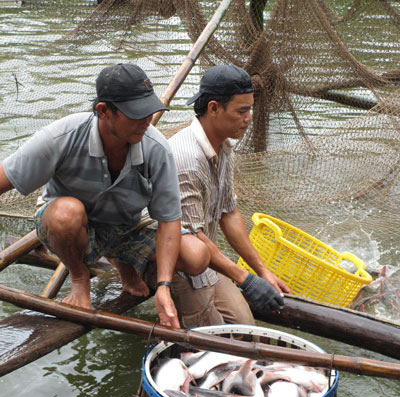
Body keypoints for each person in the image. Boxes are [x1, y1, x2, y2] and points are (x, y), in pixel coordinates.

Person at [0, 63, 209, 328]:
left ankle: (123, 262)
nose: (147, 121)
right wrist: (79, 277)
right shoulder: (61, 136)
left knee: (197, 256)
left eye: (149, 112)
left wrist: (164, 285)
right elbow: (4, 177)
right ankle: (79, 277)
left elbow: (169, 220)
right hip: (71, 225)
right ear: (104, 111)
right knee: (66, 214)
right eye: (136, 114)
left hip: (125, 224)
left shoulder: (156, 148)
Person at [168, 64, 291, 327]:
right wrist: (245, 280)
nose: (248, 119)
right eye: (241, 111)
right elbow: (192, 235)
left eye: (250, 110)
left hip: (207, 262)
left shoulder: (223, 146)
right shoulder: (186, 158)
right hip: (180, 266)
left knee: (245, 327)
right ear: (213, 108)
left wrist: (261, 272)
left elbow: (229, 212)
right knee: (216, 344)